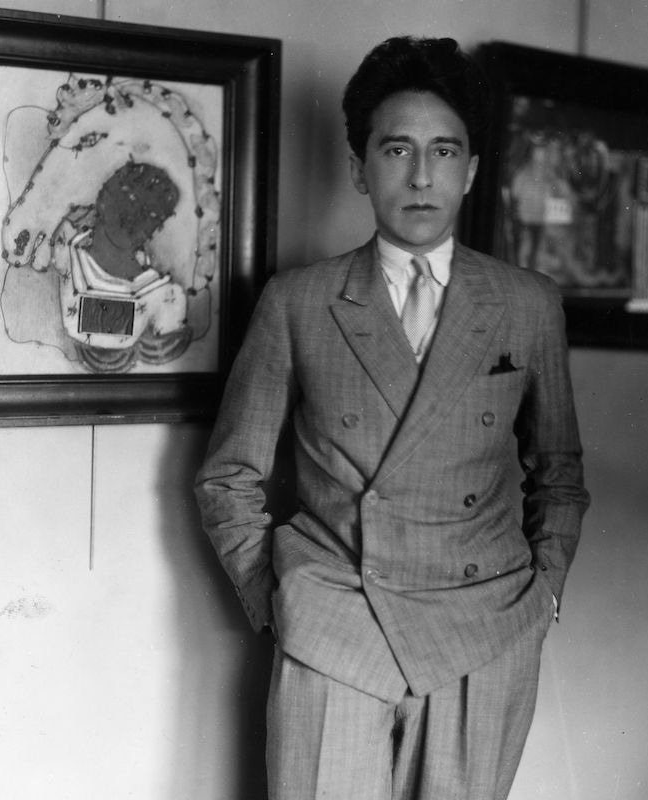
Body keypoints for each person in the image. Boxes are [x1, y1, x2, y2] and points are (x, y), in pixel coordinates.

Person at [195, 35, 589, 800]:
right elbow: (229, 476)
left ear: (471, 171)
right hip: (337, 626)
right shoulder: (299, 301)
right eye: (397, 149)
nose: (420, 175)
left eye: (444, 152)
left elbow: (561, 473)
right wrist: (282, 601)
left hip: (485, 630)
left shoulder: (527, 303)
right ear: (359, 168)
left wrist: (544, 593)